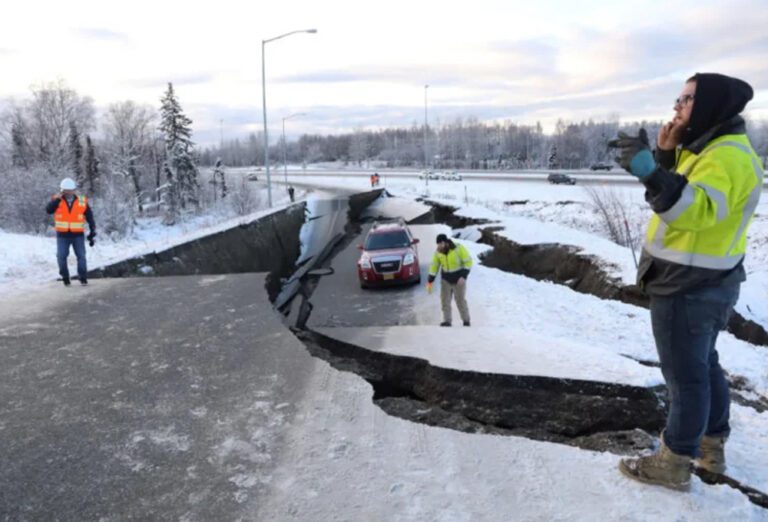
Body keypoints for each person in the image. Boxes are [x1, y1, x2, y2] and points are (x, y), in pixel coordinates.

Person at [610, 73, 763, 491]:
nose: (678, 105)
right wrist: (664, 154)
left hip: (688, 287)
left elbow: (690, 210)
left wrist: (648, 172)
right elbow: (688, 188)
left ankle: (674, 462)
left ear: (712, 104)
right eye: (679, 96)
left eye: (689, 98)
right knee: (703, 365)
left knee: (684, 376)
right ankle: (711, 446)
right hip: (707, 279)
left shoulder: (726, 157)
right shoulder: (714, 147)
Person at [45, 177, 97, 286]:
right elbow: (49, 210)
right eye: (65, 190)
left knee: (81, 256)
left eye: (70, 190)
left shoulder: (82, 201)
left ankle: (82, 277)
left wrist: (92, 230)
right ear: (62, 190)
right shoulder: (56, 200)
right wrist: (58, 200)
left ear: (74, 190)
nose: (68, 193)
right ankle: (65, 277)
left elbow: (90, 216)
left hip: (77, 234)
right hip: (62, 235)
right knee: (61, 256)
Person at [426, 233, 473, 327]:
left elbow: (468, 261)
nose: (439, 246)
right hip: (446, 279)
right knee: (445, 300)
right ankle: (447, 321)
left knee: (460, 300)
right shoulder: (438, 252)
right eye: (438, 244)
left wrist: (463, 276)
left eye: (440, 244)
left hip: (458, 279)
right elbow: (434, 265)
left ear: (445, 242)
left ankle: (466, 320)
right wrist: (430, 278)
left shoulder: (458, 248)